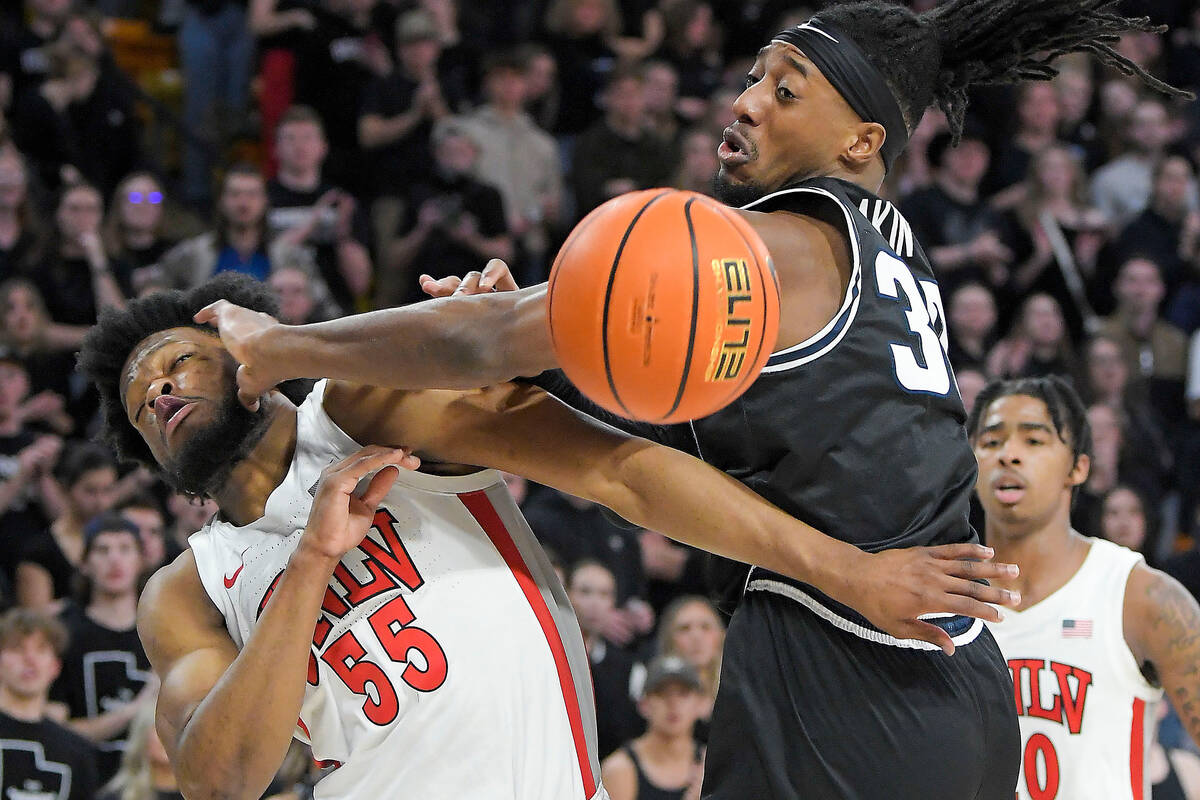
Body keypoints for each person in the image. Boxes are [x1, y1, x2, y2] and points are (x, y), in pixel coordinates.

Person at [195, 3, 1187, 796]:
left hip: (849, 667)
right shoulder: (889, 251)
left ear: (859, 140)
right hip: (957, 687)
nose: (747, 101)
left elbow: (486, 341)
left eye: (785, 90)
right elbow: (605, 424)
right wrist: (522, 358)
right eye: (754, 74)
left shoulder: (776, 249)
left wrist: (275, 343)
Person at [77, 274, 975, 799]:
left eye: (176, 361)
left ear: (248, 361)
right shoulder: (189, 590)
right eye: (138, 401)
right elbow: (217, 778)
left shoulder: (364, 409)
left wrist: (848, 572)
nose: (156, 391)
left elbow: (619, 472)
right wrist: (312, 560)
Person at [971, 376, 1200, 798]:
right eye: (991, 441)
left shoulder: (1139, 596)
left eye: (1034, 441)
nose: (1009, 455)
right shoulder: (941, 599)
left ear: (1079, 466)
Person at [50, 513, 155, 782]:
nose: (114, 560)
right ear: (83, 563)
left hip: (152, 784)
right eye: (102, 550)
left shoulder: (162, 630)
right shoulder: (64, 633)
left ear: (141, 560)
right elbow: (54, 730)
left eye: (125, 549)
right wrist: (135, 710)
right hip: (87, 781)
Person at [0, 608, 100, 800]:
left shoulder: (77, 752)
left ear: (55, 666)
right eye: (17, 648)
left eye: (41, 649)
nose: (30, 659)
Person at [16, 443, 118, 609]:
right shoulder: (39, 552)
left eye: (108, 490)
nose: (101, 502)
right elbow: (35, 620)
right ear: (65, 489)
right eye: (90, 491)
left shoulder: (122, 542)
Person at [567, 558, 644, 760]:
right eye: (585, 592)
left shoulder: (629, 668)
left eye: (604, 594)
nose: (594, 603)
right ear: (566, 594)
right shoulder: (548, 655)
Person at [600, 655, 705, 800]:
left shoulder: (711, 766)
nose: (673, 703)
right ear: (644, 704)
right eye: (662, 693)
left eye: (683, 694)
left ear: (700, 703)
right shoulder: (620, 770)